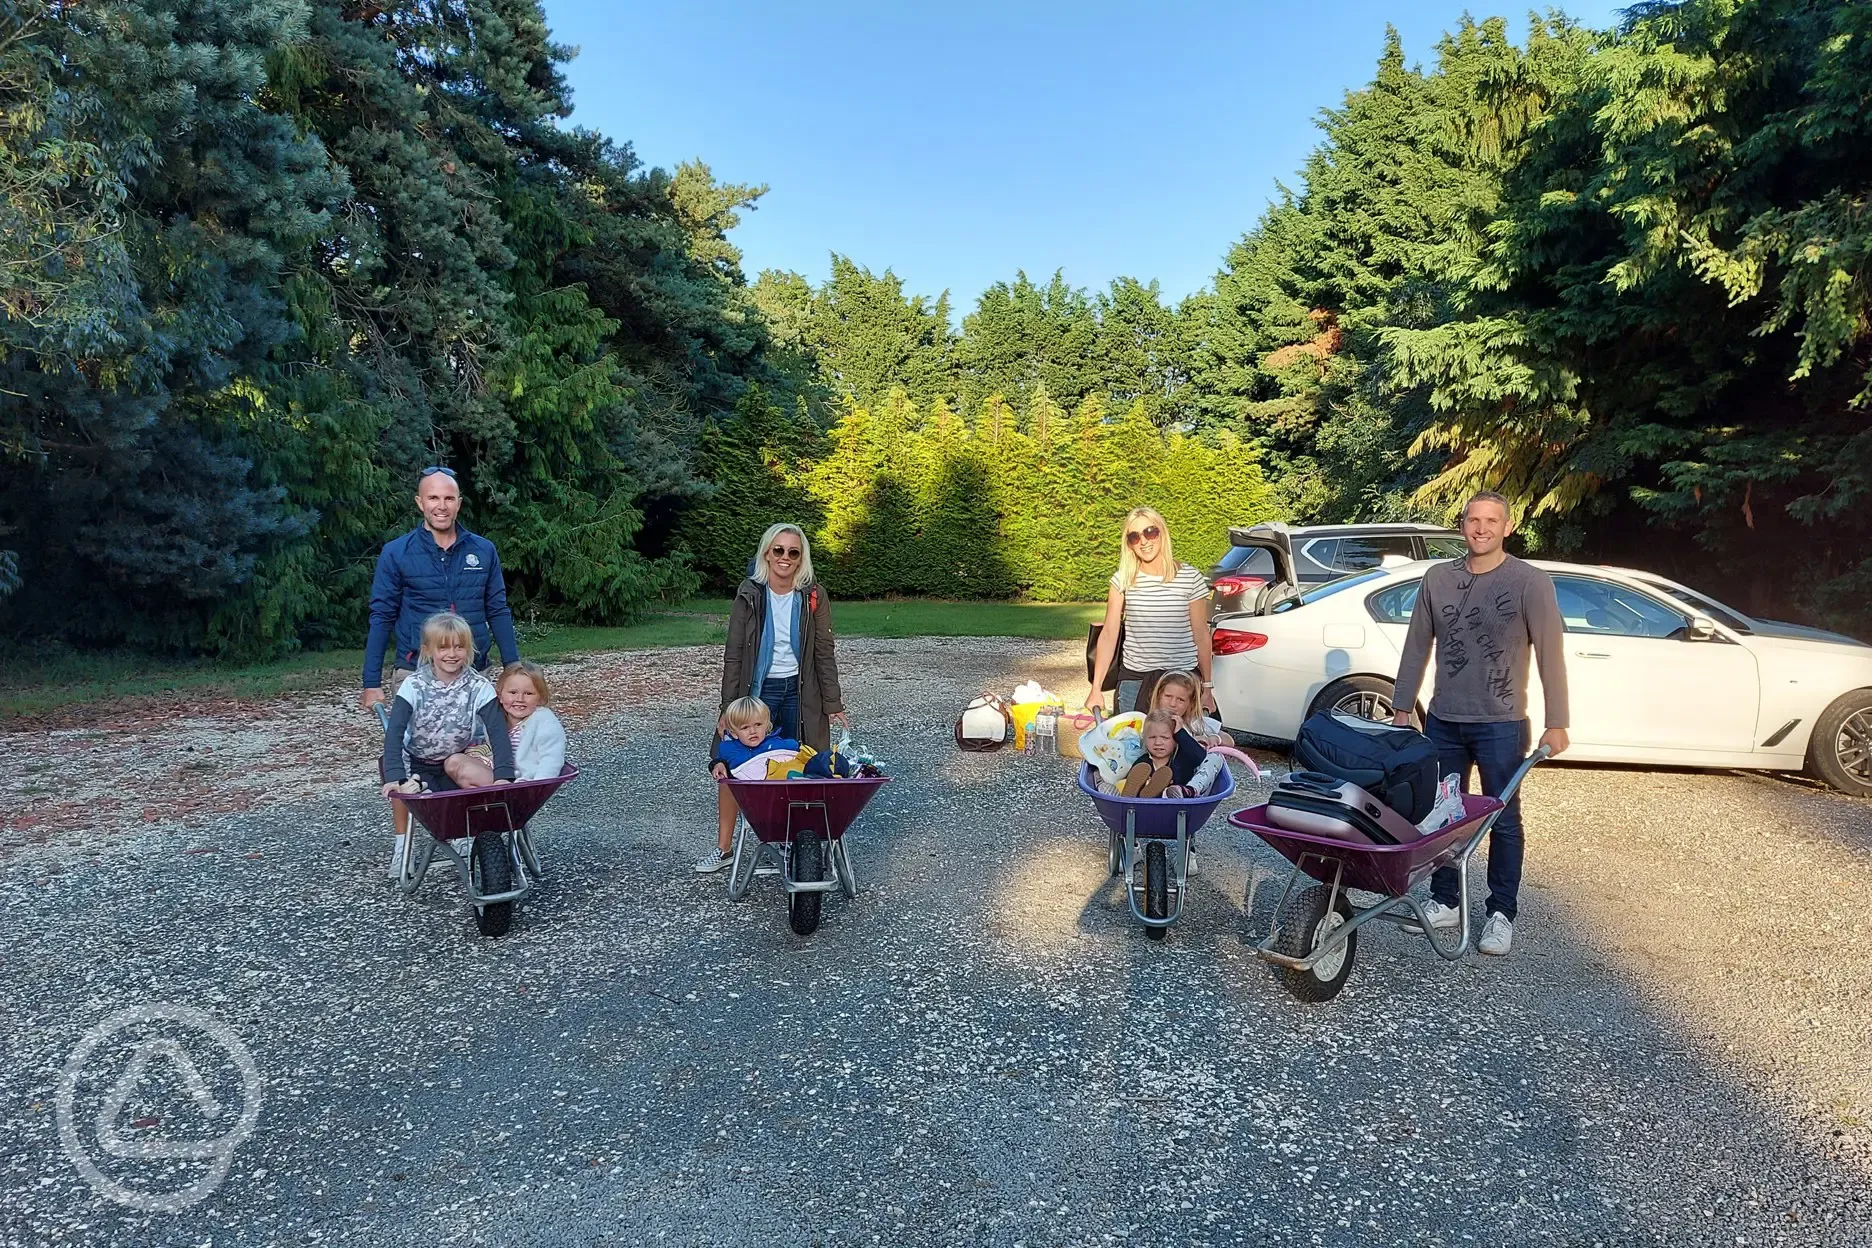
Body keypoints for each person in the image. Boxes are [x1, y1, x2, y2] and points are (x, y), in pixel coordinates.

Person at [1391, 490, 1570, 957]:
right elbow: (1416, 646)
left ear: (1507, 527)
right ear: (1463, 525)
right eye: (1474, 519)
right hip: (1445, 721)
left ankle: (1500, 913)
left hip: (1502, 723)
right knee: (1444, 814)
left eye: (1492, 520)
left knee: (1502, 819)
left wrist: (1558, 721)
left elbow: (1551, 652)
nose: (1482, 528)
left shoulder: (1530, 582)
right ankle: (1445, 899)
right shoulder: (1438, 579)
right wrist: (1401, 704)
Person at [699, 523, 848, 873]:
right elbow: (734, 653)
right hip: (758, 690)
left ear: (801, 558)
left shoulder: (812, 595)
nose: (785, 558)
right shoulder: (750, 593)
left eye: (793, 552)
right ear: (766, 552)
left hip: (800, 689)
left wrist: (833, 702)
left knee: (800, 764)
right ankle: (724, 850)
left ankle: (801, 844)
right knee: (733, 763)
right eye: (778, 550)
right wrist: (727, 707)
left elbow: (824, 652)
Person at [360, 466, 520, 714]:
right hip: (416, 671)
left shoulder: (483, 550)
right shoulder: (396, 552)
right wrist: (371, 683)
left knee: (474, 749)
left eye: (448, 498)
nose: (441, 506)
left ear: (459, 503)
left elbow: (497, 610)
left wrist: (513, 667)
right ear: (420, 503)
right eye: (433, 498)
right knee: (421, 750)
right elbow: (382, 617)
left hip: (474, 670)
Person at [380, 614, 516, 872]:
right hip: (416, 760)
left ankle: (464, 833)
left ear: (469, 649)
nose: (452, 654)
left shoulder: (478, 686)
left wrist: (504, 776)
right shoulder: (413, 685)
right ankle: (403, 849)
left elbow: (497, 732)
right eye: (443, 647)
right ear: (427, 650)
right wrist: (394, 777)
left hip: (453, 759)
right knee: (402, 789)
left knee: (464, 787)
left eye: (459, 646)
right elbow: (395, 732)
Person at [1085, 508, 1217, 717]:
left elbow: (1201, 634)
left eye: (1150, 532)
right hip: (1136, 681)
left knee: (1184, 745)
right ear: (1129, 544)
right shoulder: (1123, 579)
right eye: (1134, 537)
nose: (1144, 541)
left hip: (1181, 680)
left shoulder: (1190, 577)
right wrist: (1096, 688)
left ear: (1162, 532)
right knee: (1130, 745)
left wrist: (1207, 687)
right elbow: (1109, 634)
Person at [450, 660, 565, 785]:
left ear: (540, 698)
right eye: (513, 692)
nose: (519, 699)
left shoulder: (545, 722)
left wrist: (538, 786)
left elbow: (552, 759)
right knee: (453, 761)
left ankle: (500, 800)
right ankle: (487, 801)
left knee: (466, 772)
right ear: (499, 695)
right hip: (500, 774)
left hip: (524, 781)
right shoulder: (498, 718)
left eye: (528, 693)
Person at [1150, 671, 1230, 748]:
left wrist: (1215, 738)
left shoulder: (1195, 723)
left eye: (1180, 700)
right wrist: (1190, 742)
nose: (1173, 704)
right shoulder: (1147, 723)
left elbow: (1229, 740)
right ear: (1158, 696)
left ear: (1190, 703)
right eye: (1168, 696)